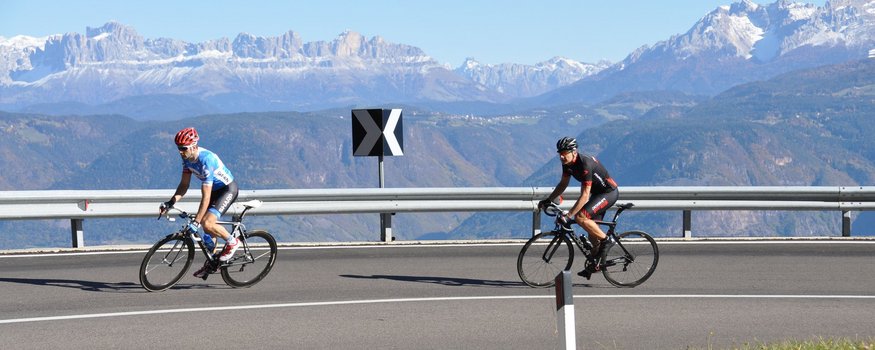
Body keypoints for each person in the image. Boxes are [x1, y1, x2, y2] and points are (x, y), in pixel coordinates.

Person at [159, 127, 240, 278]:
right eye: (178, 148)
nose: (180, 152)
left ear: (193, 146)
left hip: (227, 190)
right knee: (208, 234)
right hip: (214, 191)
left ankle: (232, 242)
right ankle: (212, 263)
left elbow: (206, 197)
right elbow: (184, 185)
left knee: (207, 223)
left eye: (183, 148)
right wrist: (170, 202)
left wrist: (196, 222)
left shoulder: (206, 160)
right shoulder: (187, 159)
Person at [538, 136, 619, 277]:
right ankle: (595, 265)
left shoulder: (585, 164)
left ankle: (608, 240)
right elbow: (563, 184)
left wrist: (568, 215)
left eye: (564, 153)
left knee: (581, 217)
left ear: (574, 152)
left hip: (608, 193)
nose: (561, 157)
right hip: (597, 194)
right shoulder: (567, 164)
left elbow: (585, 196)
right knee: (592, 235)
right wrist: (548, 200)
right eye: (560, 153)